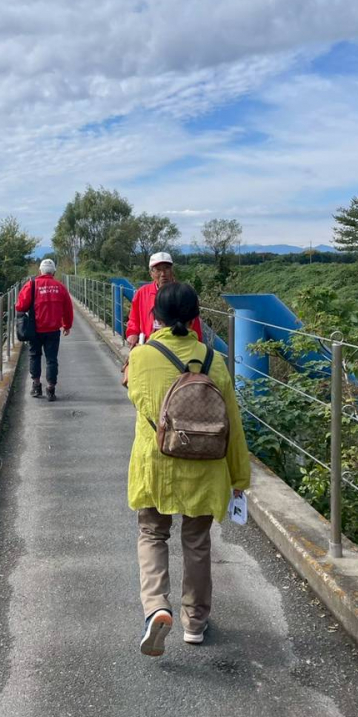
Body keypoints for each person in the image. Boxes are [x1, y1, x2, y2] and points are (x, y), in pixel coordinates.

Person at [126, 281, 250, 657]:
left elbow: (136, 396)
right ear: (196, 316)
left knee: (152, 534)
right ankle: (194, 622)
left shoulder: (142, 356)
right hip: (206, 466)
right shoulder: (214, 360)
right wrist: (239, 478)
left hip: (157, 464)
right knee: (196, 542)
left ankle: (156, 607)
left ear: (155, 316)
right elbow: (233, 423)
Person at [15, 259, 73, 402]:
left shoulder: (31, 285)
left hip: (35, 329)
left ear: (40, 271)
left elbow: (20, 306)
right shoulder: (60, 287)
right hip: (53, 330)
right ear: (53, 272)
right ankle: (51, 389)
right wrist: (67, 325)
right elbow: (68, 309)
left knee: (34, 356)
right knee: (51, 359)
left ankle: (36, 386)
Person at [125, 251, 203, 348]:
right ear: (151, 273)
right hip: (148, 346)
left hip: (179, 348)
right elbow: (134, 319)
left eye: (167, 268)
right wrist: (132, 333)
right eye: (158, 270)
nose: (163, 274)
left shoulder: (182, 294)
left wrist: (197, 346)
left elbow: (194, 324)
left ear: (172, 270)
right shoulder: (142, 293)